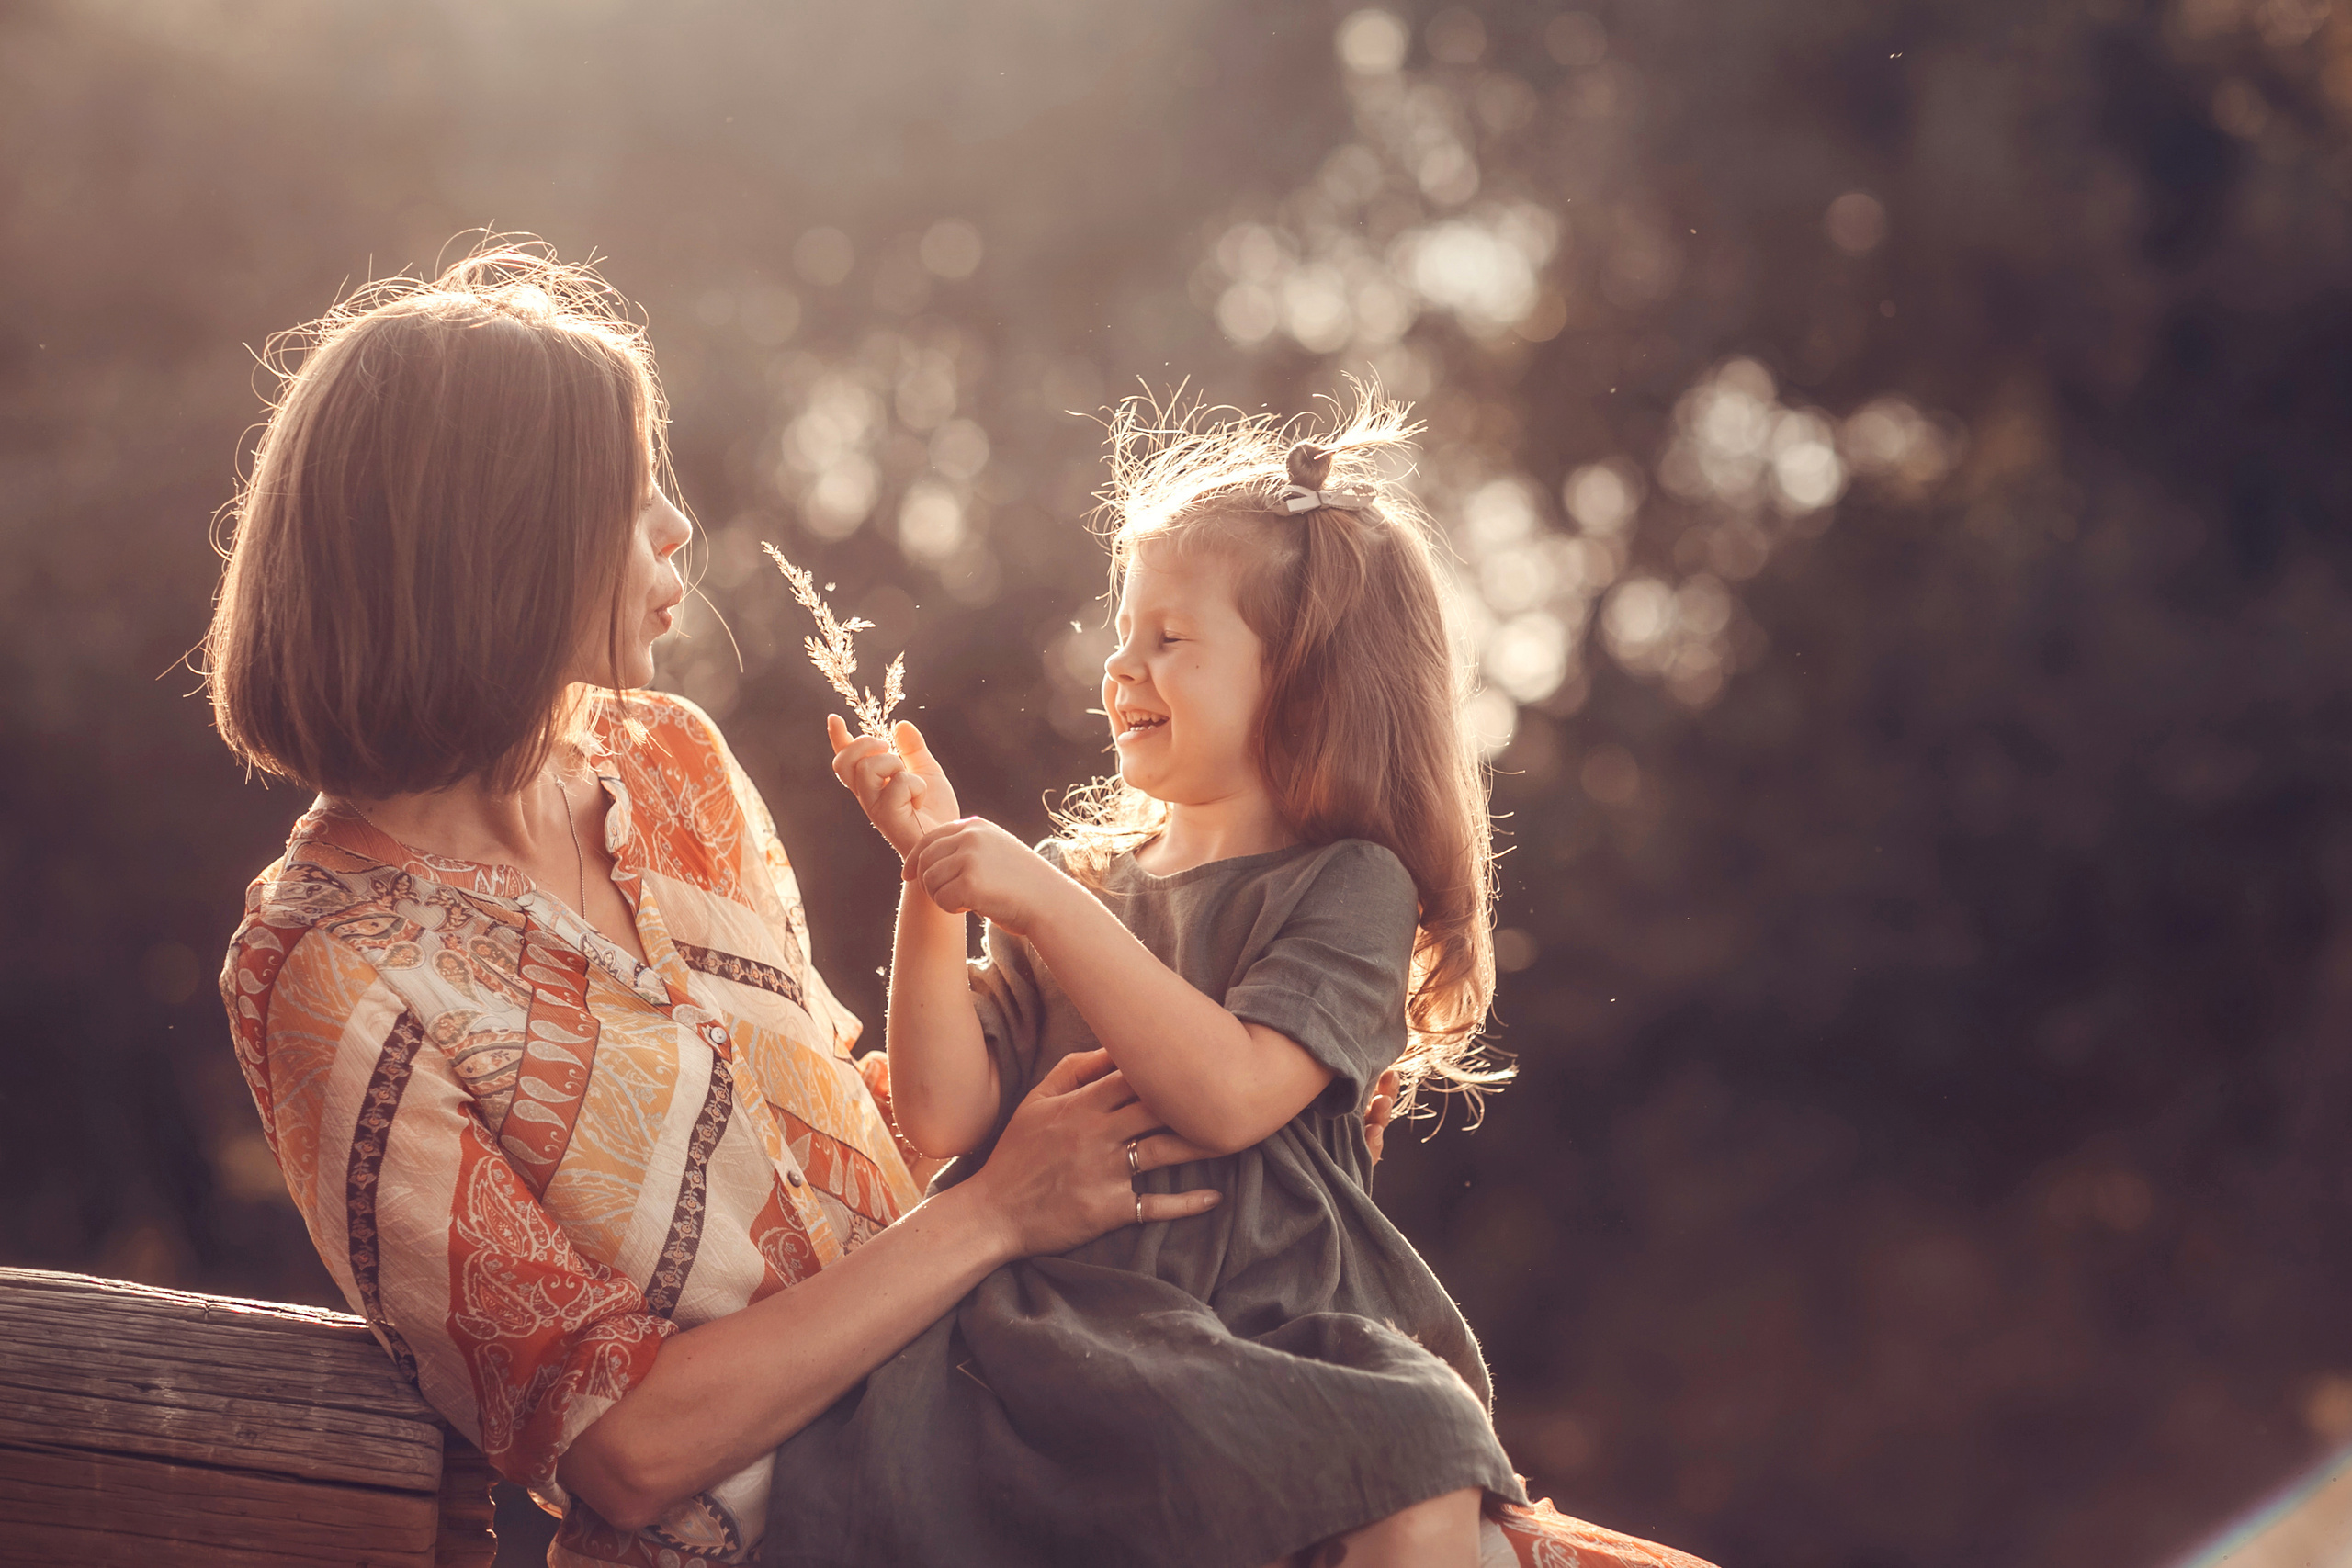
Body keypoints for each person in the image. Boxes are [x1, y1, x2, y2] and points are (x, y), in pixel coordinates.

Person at [207, 245, 1713, 1568]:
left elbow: (860, 1119)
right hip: (827, 1514)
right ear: (497, 538)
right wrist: (998, 1212)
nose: (679, 531)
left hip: (1043, 1380)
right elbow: (622, 1449)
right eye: (631, 490)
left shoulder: (664, 762)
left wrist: (1152, 1119)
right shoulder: (328, 971)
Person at [780, 393, 1518, 1568]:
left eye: (1169, 638)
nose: (1120, 666)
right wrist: (934, 876)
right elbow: (942, 1114)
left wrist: (1039, 899)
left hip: (1275, 1330)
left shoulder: (1348, 885)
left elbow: (1226, 1095)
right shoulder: (1081, 884)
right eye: (1122, 633)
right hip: (1071, 1332)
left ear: (1304, 679)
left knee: (1423, 1441)